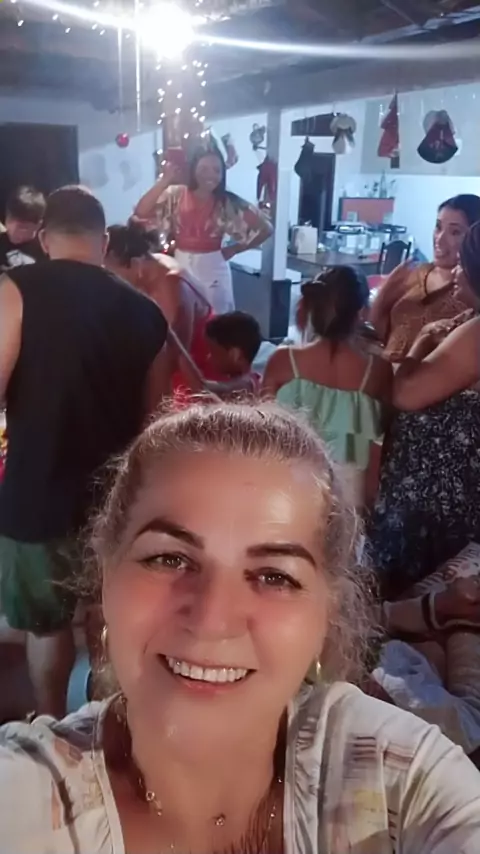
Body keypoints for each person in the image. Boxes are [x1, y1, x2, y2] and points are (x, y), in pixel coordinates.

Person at [1, 401, 480, 853]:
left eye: (274, 576)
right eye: (170, 558)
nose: (212, 620)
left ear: (326, 615)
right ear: (106, 577)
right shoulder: (22, 795)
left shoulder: (400, 776)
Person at [0, 185, 169, 719]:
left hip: (35, 493)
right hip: (114, 501)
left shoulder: (14, 290)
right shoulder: (146, 313)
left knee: (45, 626)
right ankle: (103, 729)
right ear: (103, 242)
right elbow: (154, 426)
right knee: (106, 620)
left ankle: (50, 726)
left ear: (44, 237)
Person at [368, 220, 480, 598]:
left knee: (411, 603)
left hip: (438, 503)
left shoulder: (476, 335)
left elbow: (406, 394)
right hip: (453, 496)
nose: (457, 272)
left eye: (464, 264)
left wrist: (421, 342)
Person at [262, 267, 391, 506]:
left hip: (286, 486)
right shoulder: (377, 371)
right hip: (348, 496)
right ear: (362, 312)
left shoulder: (283, 361)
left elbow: (261, 433)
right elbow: (377, 449)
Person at [134, 145, 272, 314]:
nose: (210, 175)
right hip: (181, 261)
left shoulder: (227, 202)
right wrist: (165, 180)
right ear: (194, 170)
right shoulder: (175, 194)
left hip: (212, 265)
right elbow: (141, 211)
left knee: (217, 320)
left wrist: (234, 249)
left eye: (216, 170)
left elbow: (266, 229)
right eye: (204, 169)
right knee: (183, 316)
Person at [370, 193, 480, 361]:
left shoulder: (469, 292)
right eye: (438, 227)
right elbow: (379, 330)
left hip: (428, 376)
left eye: (455, 232)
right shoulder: (414, 273)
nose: (439, 239)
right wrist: (383, 297)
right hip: (385, 370)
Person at [174, 310, 262, 398]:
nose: (209, 357)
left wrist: (177, 348)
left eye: (213, 352)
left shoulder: (247, 384)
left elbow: (203, 390)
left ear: (236, 355)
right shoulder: (239, 381)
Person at [0, 185, 46, 270]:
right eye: (9, 221)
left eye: (22, 227)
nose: (13, 231)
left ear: (38, 225)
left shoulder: (46, 249)